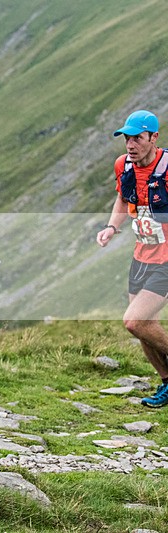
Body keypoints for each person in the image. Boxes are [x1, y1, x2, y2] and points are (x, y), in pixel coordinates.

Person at [97, 109, 168, 408]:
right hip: (142, 255)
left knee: (134, 321)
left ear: (154, 137)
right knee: (144, 327)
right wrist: (112, 226)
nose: (131, 145)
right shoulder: (123, 165)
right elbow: (123, 198)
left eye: (137, 138)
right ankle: (167, 382)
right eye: (127, 138)